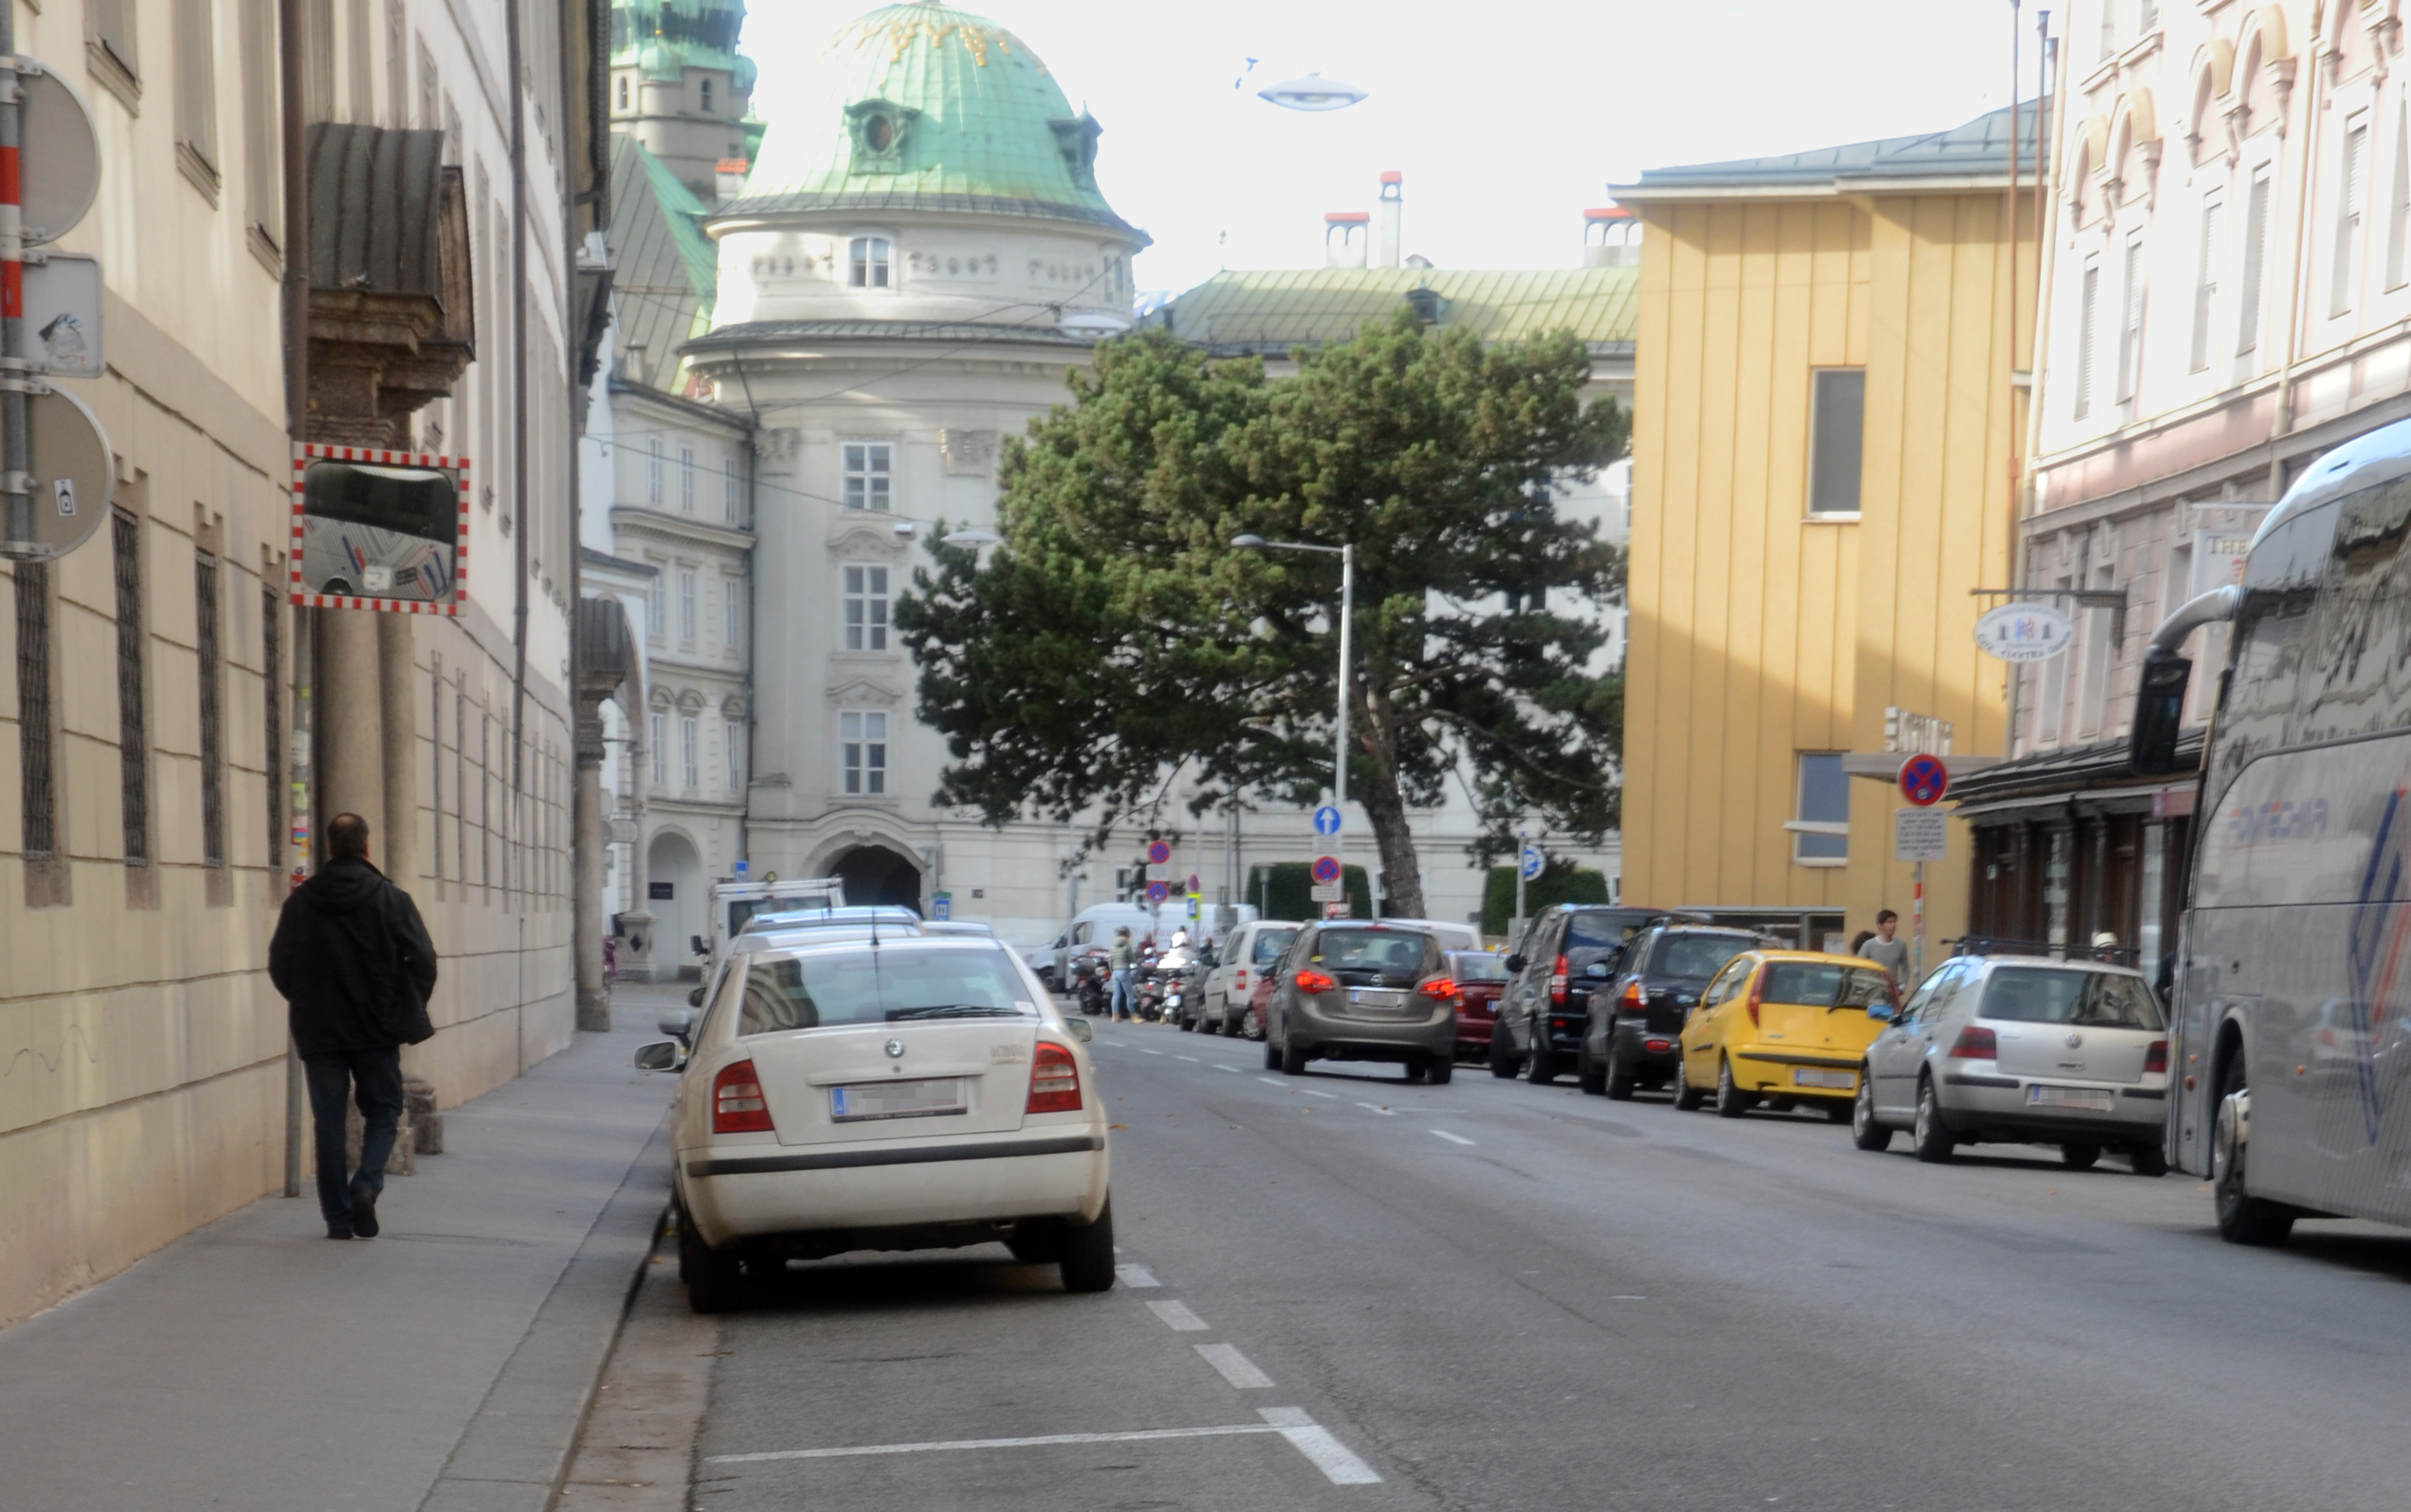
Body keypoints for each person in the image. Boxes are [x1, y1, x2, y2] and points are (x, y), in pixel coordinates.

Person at [268, 813, 439, 1240]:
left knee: (328, 1122)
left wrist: (307, 1002)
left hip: (319, 1031)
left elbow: (280, 965)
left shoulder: (301, 902)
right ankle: (366, 1183)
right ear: (366, 848)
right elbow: (423, 960)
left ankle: (339, 1220)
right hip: (376, 1027)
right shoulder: (390, 898)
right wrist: (402, 1005)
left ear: (329, 848)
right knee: (383, 1111)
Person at [1859, 910, 1911, 985]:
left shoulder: (1900, 945)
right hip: (1873, 990)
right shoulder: (1869, 945)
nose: (1893, 925)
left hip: (1892, 990)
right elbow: (1859, 968)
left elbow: (1906, 969)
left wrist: (1901, 987)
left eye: (1894, 922)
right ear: (1880, 925)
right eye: (1889, 922)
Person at [1107, 926, 1137, 1020]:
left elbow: (1110, 960)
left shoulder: (1112, 946)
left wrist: (1112, 971)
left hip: (1115, 972)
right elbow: (1132, 960)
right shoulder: (1127, 945)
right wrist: (1133, 965)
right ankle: (1133, 1015)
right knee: (1129, 995)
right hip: (1124, 971)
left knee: (1116, 995)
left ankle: (1115, 1015)